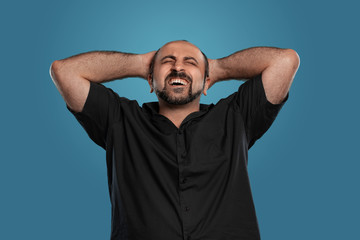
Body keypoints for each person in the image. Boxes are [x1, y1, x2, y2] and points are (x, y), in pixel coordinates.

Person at [50, 40, 300, 240]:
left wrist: (218, 68)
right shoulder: (120, 119)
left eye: (190, 63)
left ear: (206, 82)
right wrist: (139, 63)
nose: (178, 68)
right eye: (167, 61)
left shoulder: (236, 116)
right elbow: (64, 71)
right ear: (150, 79)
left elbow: (285, 61)